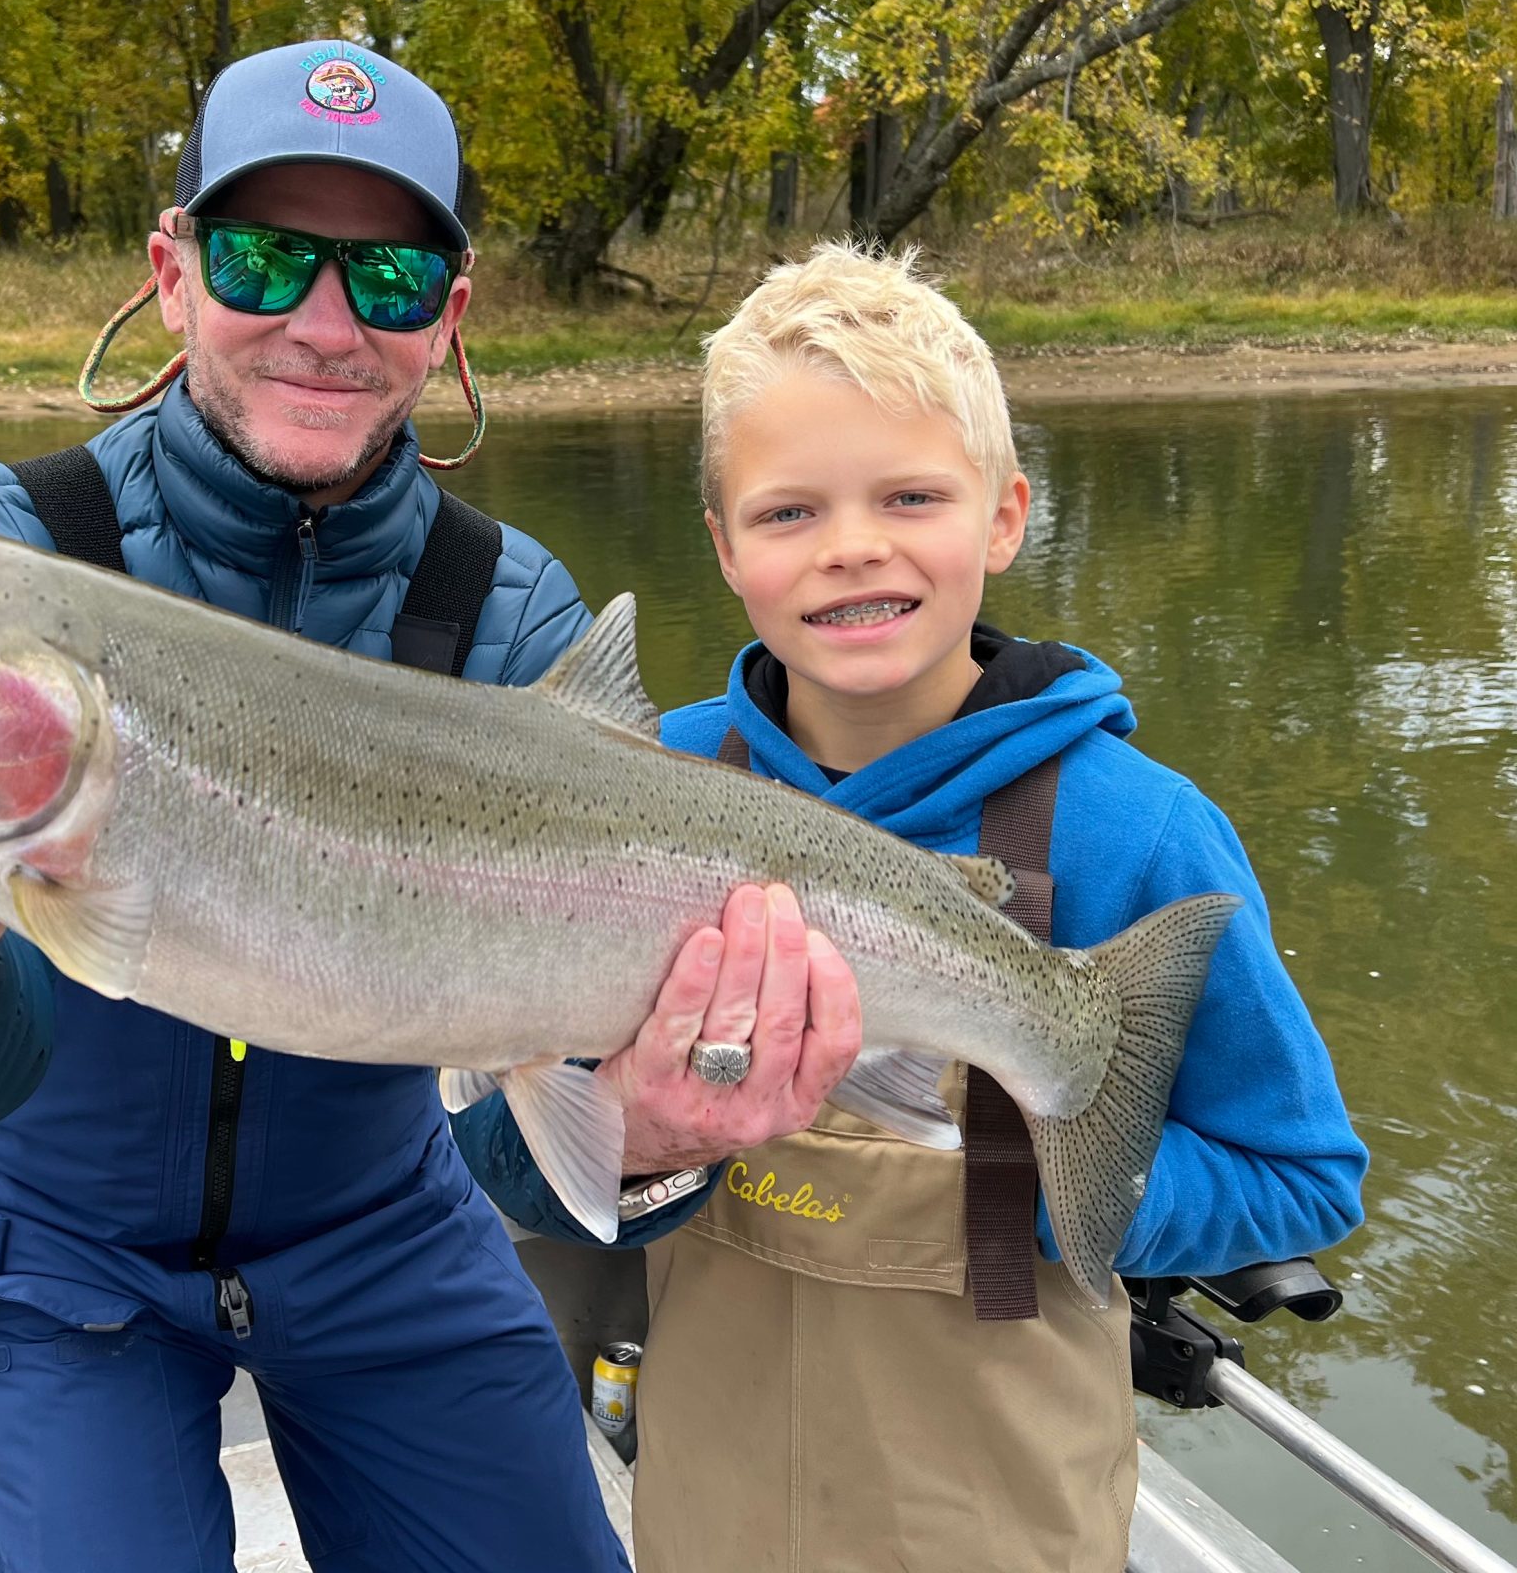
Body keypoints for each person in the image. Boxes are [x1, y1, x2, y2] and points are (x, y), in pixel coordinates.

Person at [0, 39, 857, 1573]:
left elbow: (532, 1150)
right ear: (175, 269)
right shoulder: (7, 547)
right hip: (50, 1245)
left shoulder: (508, 610)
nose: (324, 325)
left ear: (447, 319)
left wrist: (656, 1135)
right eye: (266, 257)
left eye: (386, 280)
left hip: (386, 1227)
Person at [453, 241, 1370, 1573]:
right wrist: (636, 1136)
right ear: (723, 546)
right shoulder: (638, 783)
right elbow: (504, 1161)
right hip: (704, 1514)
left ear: (1005, 515)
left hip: (1001, 1527)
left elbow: (1301, 1176)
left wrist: (1046, 1198)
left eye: (911, 496)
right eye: (789, 513)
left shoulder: (1140, 835)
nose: (853, 550)